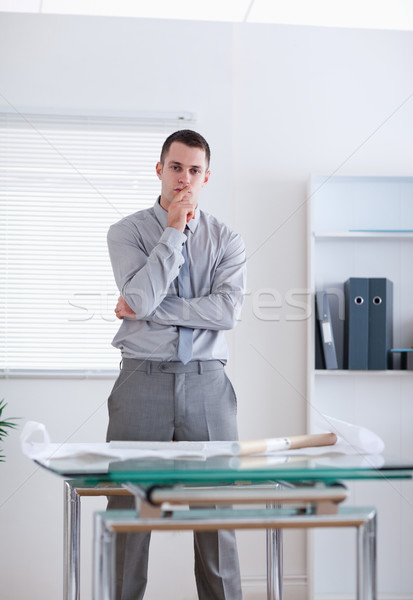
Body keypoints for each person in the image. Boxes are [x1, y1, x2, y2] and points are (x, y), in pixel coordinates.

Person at [106, 129, 246, 600]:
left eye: (194, 170)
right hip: (141, 381)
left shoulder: (227, 239)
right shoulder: (127, 232)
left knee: (217, 517)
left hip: (208, 384)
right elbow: (141, 295)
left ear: (207, 177)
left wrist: (146, 309)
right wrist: (172, 230)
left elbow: (227, 313)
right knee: (128, 517)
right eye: (176, 167)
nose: (184, 178)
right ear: (159, 169)